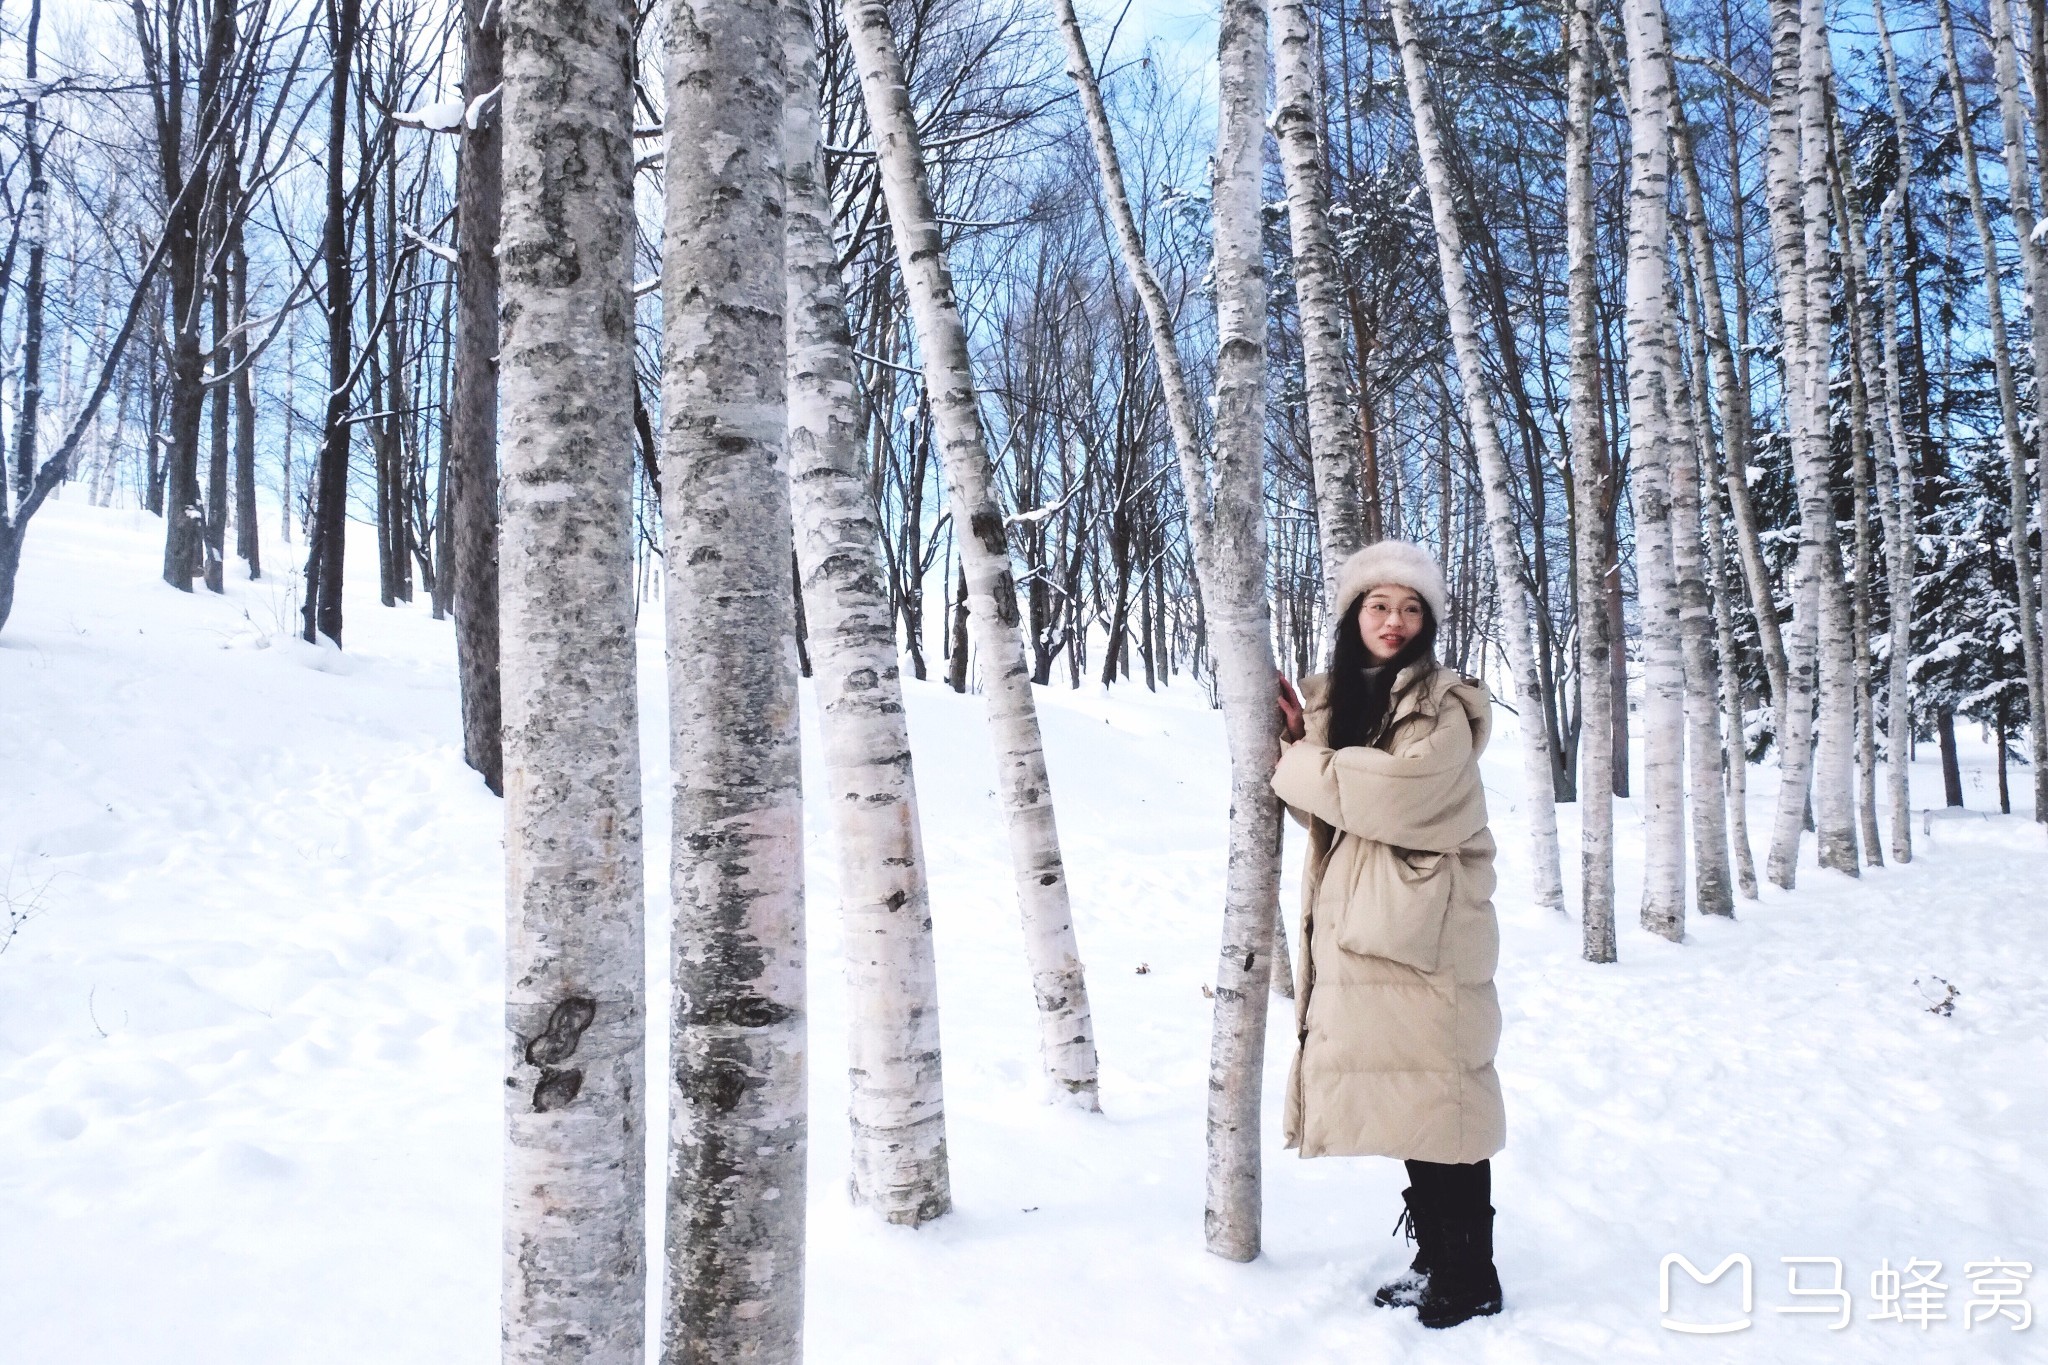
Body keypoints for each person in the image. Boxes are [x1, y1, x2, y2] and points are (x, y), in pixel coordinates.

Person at [1269, 540, 1506, 1330]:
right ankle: (1439, 1255)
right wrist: (1310, 740)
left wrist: (1303, 760)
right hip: (1382, 931)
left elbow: (1400, 797)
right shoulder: (1355, 698)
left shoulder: (1438, 701)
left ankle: (1473, 1273)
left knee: (1445, 1099)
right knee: (1416, 1097)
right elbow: (1335, 810)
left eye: (1411, 608)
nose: (1395, 620)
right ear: (1353, 614)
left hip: (1428, 934)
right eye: (1379, 605)